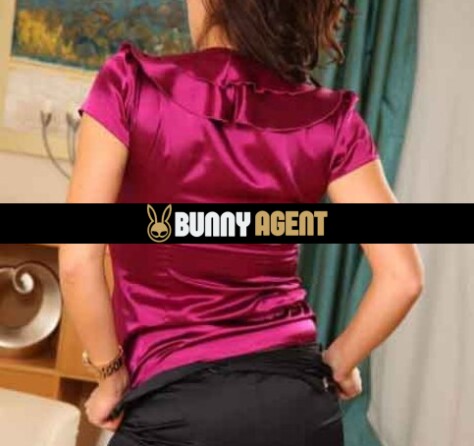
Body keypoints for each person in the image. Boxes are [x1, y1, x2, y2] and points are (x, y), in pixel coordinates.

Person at [59, 0, 425, 445]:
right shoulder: (331, 120)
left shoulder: (130, 85)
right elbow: (403, 278)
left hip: (176, 408)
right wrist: (340, 363)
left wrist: (110, 375)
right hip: (297, 406)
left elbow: (78, 263)